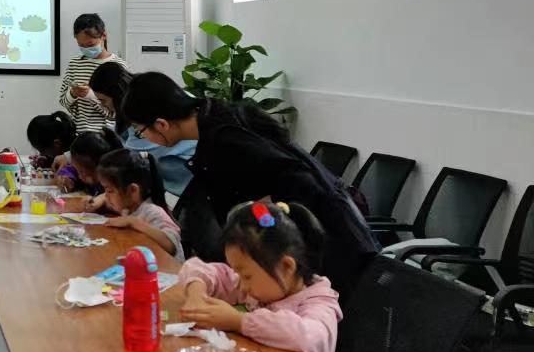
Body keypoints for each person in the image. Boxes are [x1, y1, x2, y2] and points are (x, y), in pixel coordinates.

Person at [119, 71, 378, 299]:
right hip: (319, 239)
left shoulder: (226, 139)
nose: (143, 138)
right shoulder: (219, 118)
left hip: (329, 247)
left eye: (141, 131)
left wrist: (265, 220)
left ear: (161, 124)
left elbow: (298, 182)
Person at [179, 201, 341, 352]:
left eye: (247, 276)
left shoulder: (321, 304)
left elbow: (307, 338)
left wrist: (239, 321)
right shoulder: (260, 286)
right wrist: (196, 293)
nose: (242, 286)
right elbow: (198, 268)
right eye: (238, 273)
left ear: (286, 266)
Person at [88, 62, 196, 194]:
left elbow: (129, 158)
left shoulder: (141, 109)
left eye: (103, 100)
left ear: (162, 125)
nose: (103, 106)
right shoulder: (142, 92)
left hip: (189, 174)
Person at [96, 148, 183, 260]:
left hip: (166, 268)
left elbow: (171, 245)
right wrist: (95, 203)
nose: (106, 196)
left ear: (133, 191)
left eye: (109, 191)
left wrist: (133, 222)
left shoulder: (153, 212)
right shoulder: (128, 207)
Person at [58, 13, 128, 135]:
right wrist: (73, 93)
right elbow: (63, 102)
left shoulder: (118, 66)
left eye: (90, 45)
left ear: (103, 36)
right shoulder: (75, 64)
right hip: (78, 134)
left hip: (106, 136)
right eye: (81, 45)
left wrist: (91, 96)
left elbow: (119, 112)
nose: (86, 49)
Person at [62, 131, 123, 210]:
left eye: (82, 172)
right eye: (78, 171)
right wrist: (68, 177)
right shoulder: (86, 170)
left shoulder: (119, 183)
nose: (79, 176)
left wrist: (104, 198)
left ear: (100, 168)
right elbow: (70, 169)